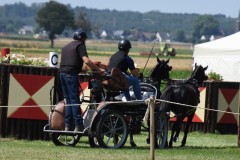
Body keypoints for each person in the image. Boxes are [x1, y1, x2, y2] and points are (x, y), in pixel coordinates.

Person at [60, 30, 105, 132]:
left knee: (68, 100)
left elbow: (70, 61)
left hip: (62, 74)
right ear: (83, 38)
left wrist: (80, 70)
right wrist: (98, 70)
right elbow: (87, 60)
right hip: (70, 75)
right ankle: (78, 125)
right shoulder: (80, 45)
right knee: (75, 100)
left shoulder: (66, 46)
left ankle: (68, 126)